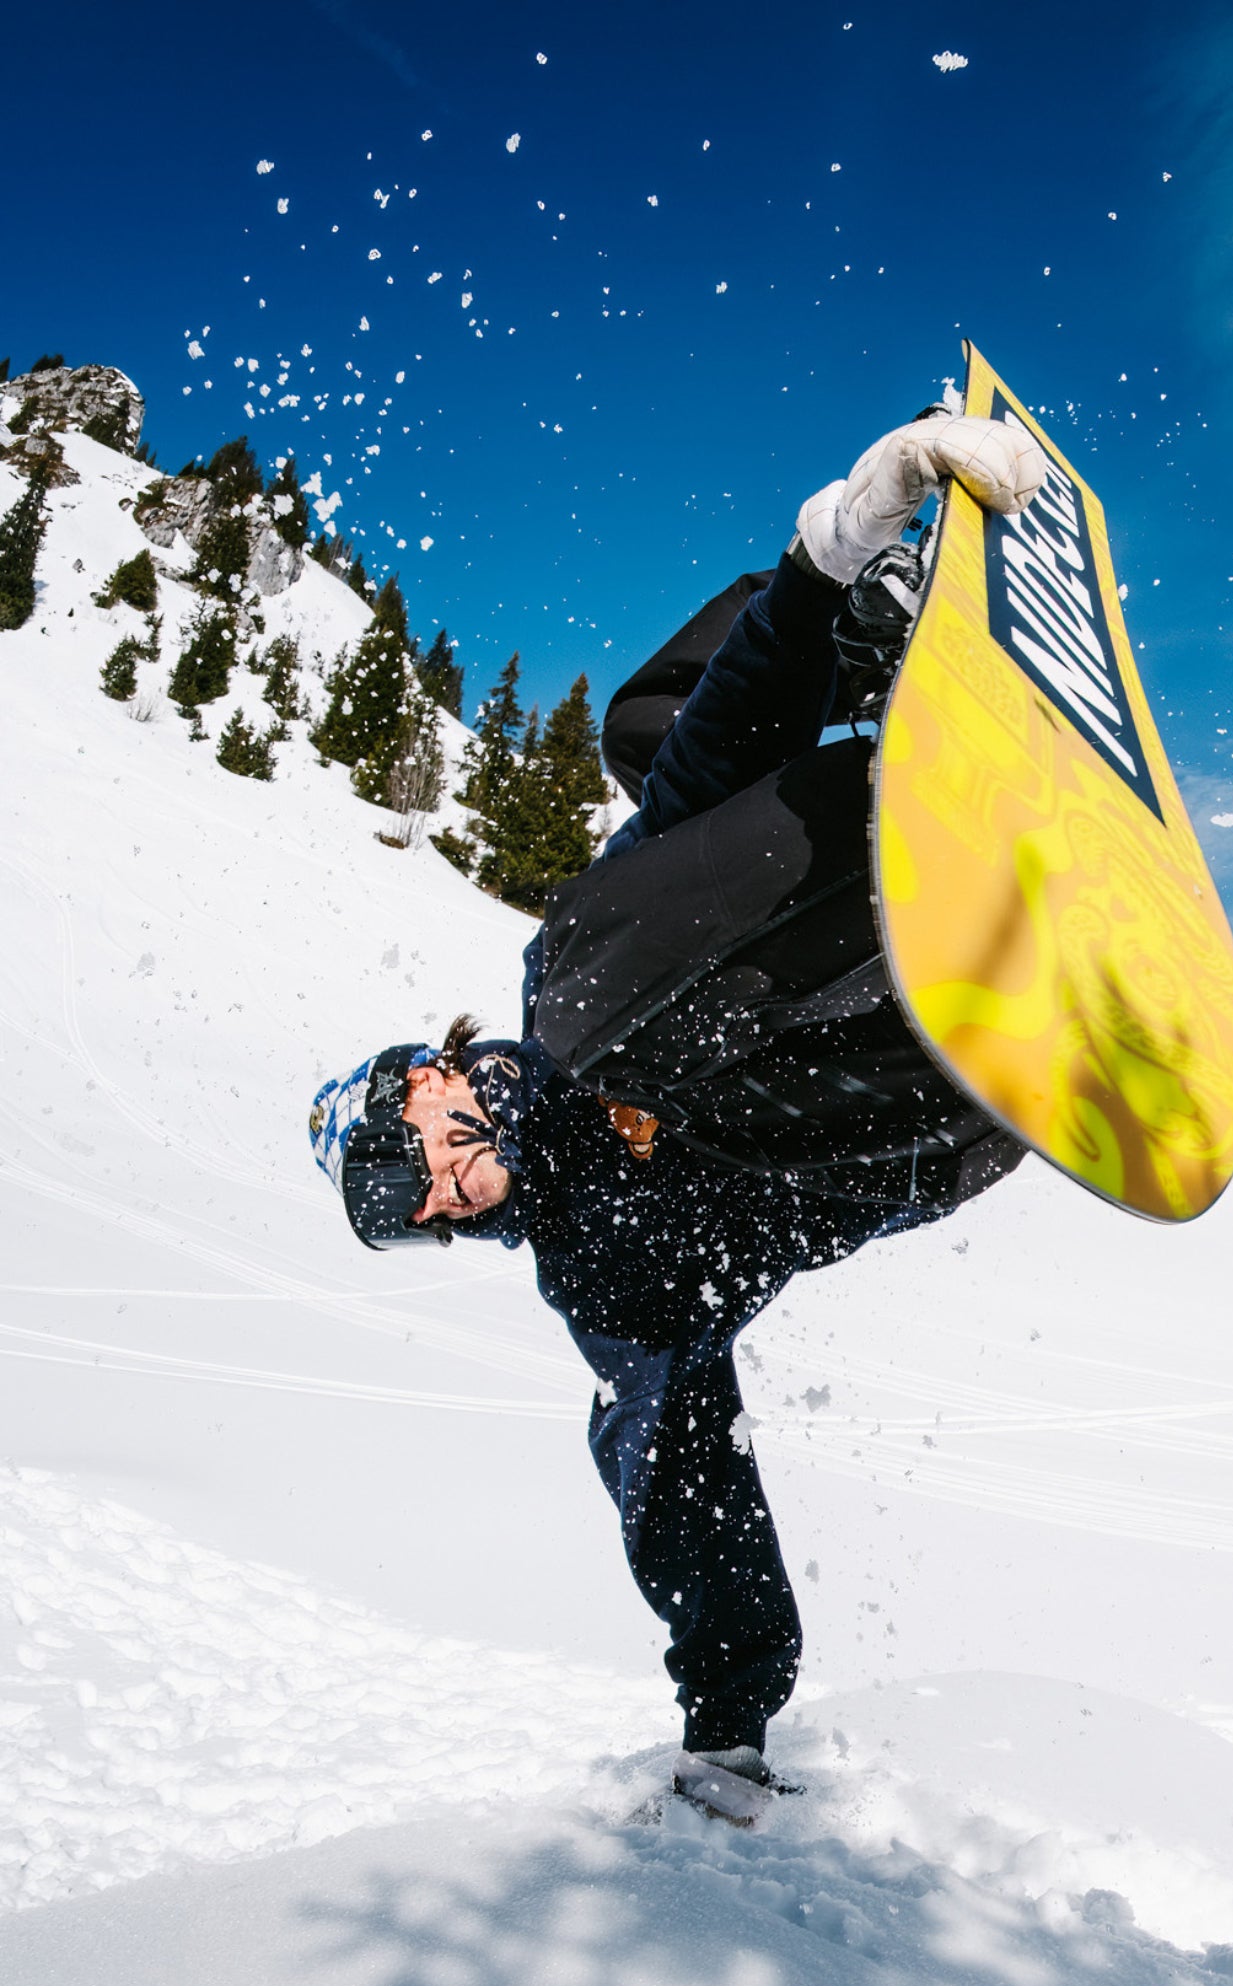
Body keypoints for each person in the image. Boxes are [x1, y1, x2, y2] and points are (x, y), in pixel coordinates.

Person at [308, 407, 1045, 1791]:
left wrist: (828, 555)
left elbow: (700, 789)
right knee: (600, 980)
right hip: (933, 1093)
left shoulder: (571, 980)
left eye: (399, 1173)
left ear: (418, 1081)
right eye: (414, 1223)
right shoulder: (603, 1278)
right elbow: (677, 1484)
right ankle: (905, 800)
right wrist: (727, 1716)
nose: (441, 1202)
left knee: (646, 736)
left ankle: (876, 635)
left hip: (854, 897)